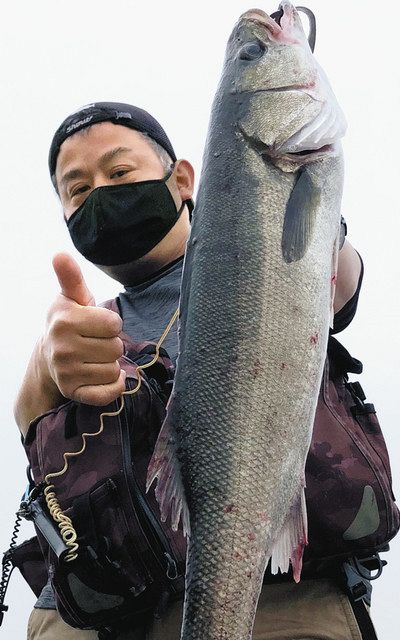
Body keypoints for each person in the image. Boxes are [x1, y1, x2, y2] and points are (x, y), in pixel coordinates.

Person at [15, 102, 365, 640]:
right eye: (77, 189)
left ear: (181, 180)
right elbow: (28, 427)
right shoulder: (84, 323)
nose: (101, 193)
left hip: (278, 599)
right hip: (88, 619)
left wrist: (289, 192)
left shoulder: (279, 260)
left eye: (120, 172)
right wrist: (47, 359)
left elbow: (337, 276)